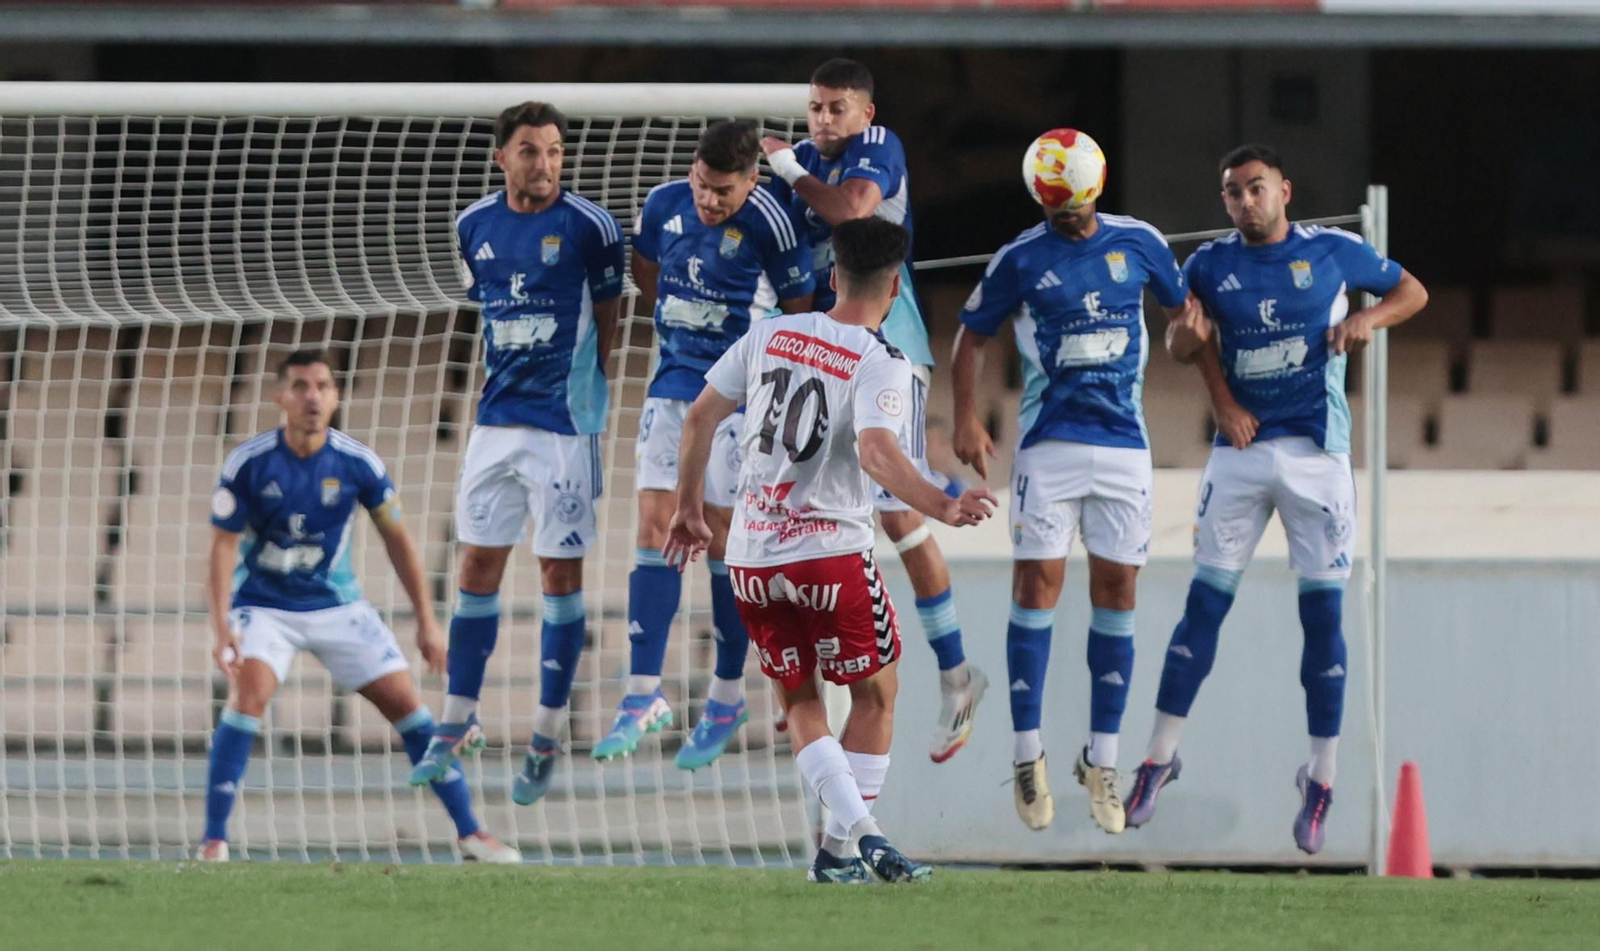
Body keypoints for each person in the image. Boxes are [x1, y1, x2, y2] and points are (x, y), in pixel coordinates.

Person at [664, 217, 996, 883]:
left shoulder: (770, 334)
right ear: (896, 286)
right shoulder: (882, 363)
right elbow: (877, 453)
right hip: (828, 555)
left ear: (832, 275)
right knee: (878, 694)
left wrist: (688, 510)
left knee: (800, 702)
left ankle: (839, 853)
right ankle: (853, 839)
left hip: (752, 558)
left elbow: (698, 416)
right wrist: (942, 504)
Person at [1128, 144, 1427, 854]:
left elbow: (1413, 291)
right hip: (1239, 452)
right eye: (1232, 193)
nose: (1244, 203)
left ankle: (1320, 776)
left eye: (1255, 189)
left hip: (1317, 455)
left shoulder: (1333, 252)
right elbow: (1181, 342)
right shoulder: (1206, 264)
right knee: (1203, 608)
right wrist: (1216, 391)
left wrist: (1367, 322)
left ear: (1284, 190)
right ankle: (1158, 759)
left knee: (1322, 621)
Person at [952, 131, 1197, 834]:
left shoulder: (1141, 242)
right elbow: (972, 334)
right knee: (1036, 589)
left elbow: (1182, 310)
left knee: (1117, 593)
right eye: (1057, 211)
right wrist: (967, 417)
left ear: (1097, 190)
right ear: (1041, 199)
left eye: (1077, 209)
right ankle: (1028, 755)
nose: (1070, 221)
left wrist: (1191, 336)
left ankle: (1103, 760)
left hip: (1124, 449)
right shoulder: (1020, 258)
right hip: (1047, 449)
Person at [199, 350, 519, 864]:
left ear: (336, 396)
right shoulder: (249, 464)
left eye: (323, 386)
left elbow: (399, 540)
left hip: (337, 606)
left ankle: (470, 833)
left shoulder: (358, 463)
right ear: (279, 396)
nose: (312, 397)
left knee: (407, 705)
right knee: (249, 694)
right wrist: (221, 629)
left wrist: (427, 622)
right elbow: (221, 548)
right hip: (265, 607)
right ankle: (213, 840)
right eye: (301, 386)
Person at [763, 58, 987, 763]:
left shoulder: (876, 150)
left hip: (891, 344)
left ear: (865, 112)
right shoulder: (798, 163)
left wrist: (789, 170)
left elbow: (852, 210)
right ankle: (812, 678)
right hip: (823, 352)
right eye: (815, 108)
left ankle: (957, 676)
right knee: (810, 509)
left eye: (837, 108)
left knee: (894, 512)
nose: (823, 120)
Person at [409, 101, 625, 808]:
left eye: (556, 152)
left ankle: (545, 733)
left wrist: (590, 395)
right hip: (495, 420)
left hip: (565, 425)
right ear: (502, 156)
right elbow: (489, 304)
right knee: (476, 563)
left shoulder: (591, 227)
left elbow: (610, 318)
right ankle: (457, 717)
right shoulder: (473, 226)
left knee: (557, 574)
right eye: (531, 151)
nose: (546, 165)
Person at [604, 120, 815, 770]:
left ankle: (726, 693)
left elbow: (800, 307)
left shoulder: (773, 225)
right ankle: (643, 692)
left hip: (738, 398)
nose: (707, 199)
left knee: (722, 535)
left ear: (752, 181)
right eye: (701, 183)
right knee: (653, 523)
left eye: (722, 191)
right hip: (671, 383)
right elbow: (647, 271)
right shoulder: (663, 203)